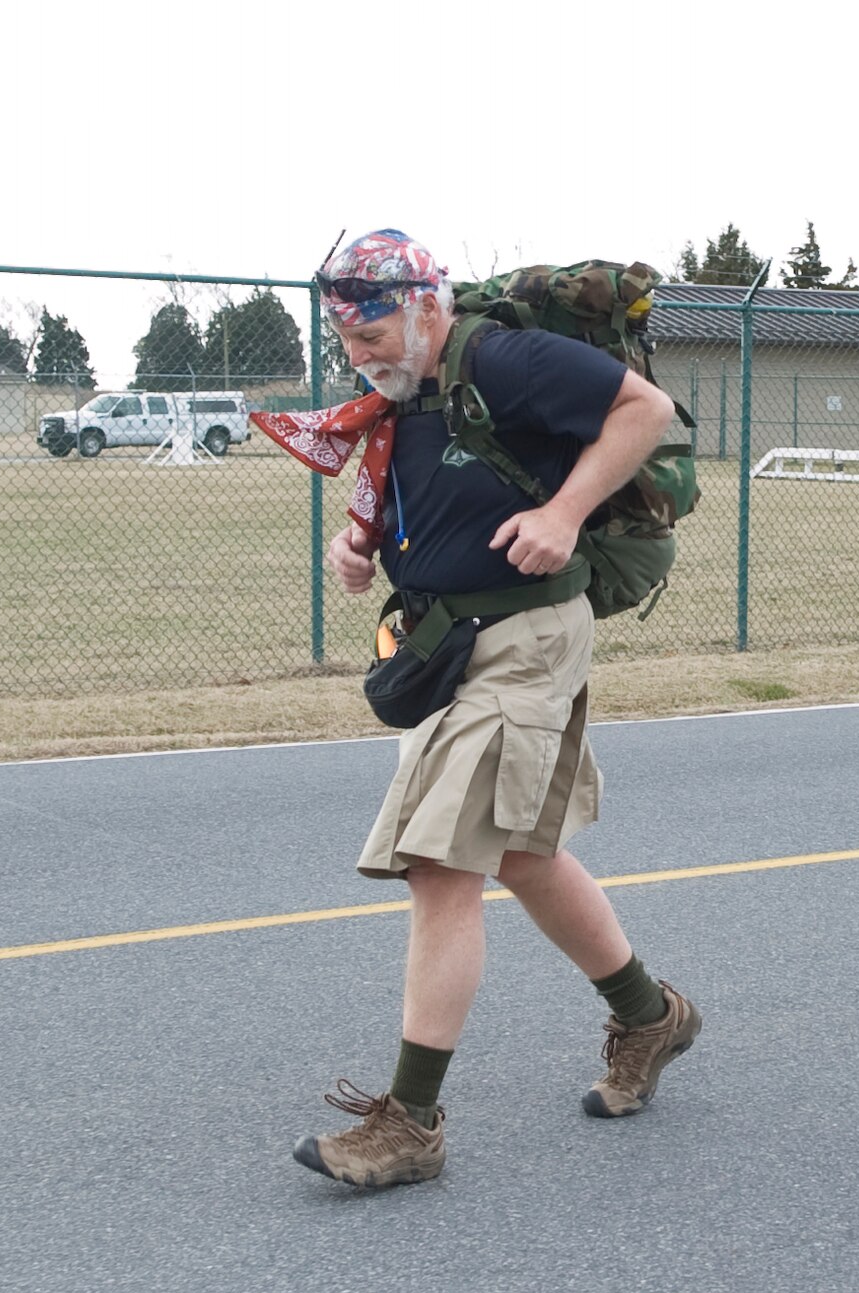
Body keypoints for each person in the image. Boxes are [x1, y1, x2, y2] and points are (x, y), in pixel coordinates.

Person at [267, 230, 701, 1188]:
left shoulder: (499, 356)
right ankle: (649, 1016)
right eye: (346, 342)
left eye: (372, 330)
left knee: (440, 863)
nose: (362, 354)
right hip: (453, 646)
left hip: (526, 638)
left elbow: (645, 410)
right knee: (519, 853)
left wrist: (565, 513)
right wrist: (360, 548)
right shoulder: (411, 393)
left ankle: (410, 1123)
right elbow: (438, 495)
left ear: (426, 304)